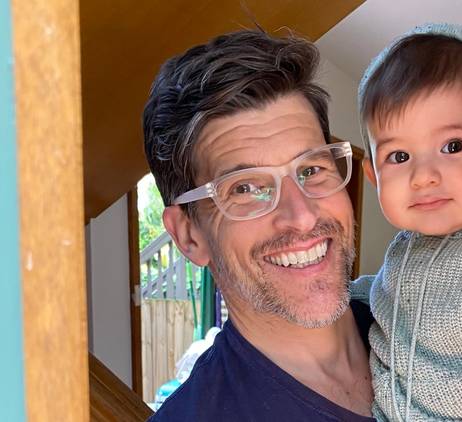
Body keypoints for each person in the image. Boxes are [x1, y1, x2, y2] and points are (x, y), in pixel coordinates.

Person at [143, 29, 375, 421]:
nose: (301, 215)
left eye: (312, 168)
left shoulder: (429, 323)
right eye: (246, 188)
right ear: (188, 235)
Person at [351, 23, 462, 421]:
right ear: (373, 177)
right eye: (399, 157)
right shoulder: (404, 248)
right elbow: (384, 291)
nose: (423, 176)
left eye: (452, 146)